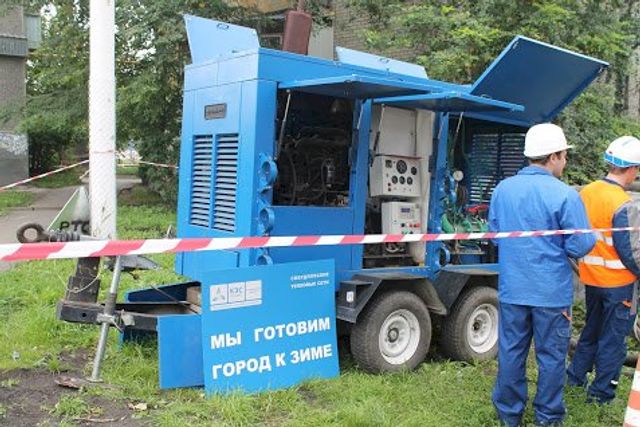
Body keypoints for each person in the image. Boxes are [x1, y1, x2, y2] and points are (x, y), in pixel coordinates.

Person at [489, 123, 596, 426]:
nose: (565, 161)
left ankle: (509, 415)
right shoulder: (565, 195)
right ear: (553, 157)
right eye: (564, 156)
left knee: (511, 352)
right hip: (550, 294)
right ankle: (547, 418)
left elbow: (495, 234)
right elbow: (581, 244)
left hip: (513, 289)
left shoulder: (502, 189)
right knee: (551, 357)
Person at [567, 136, 640, 404]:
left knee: (592, 331)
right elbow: (631, 252)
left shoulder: (586, 192)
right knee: (613, 340)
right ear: (632, 169)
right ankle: (601, 394)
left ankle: (575, 379)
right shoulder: (623, 203)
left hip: (591, 278)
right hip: (619, 284)